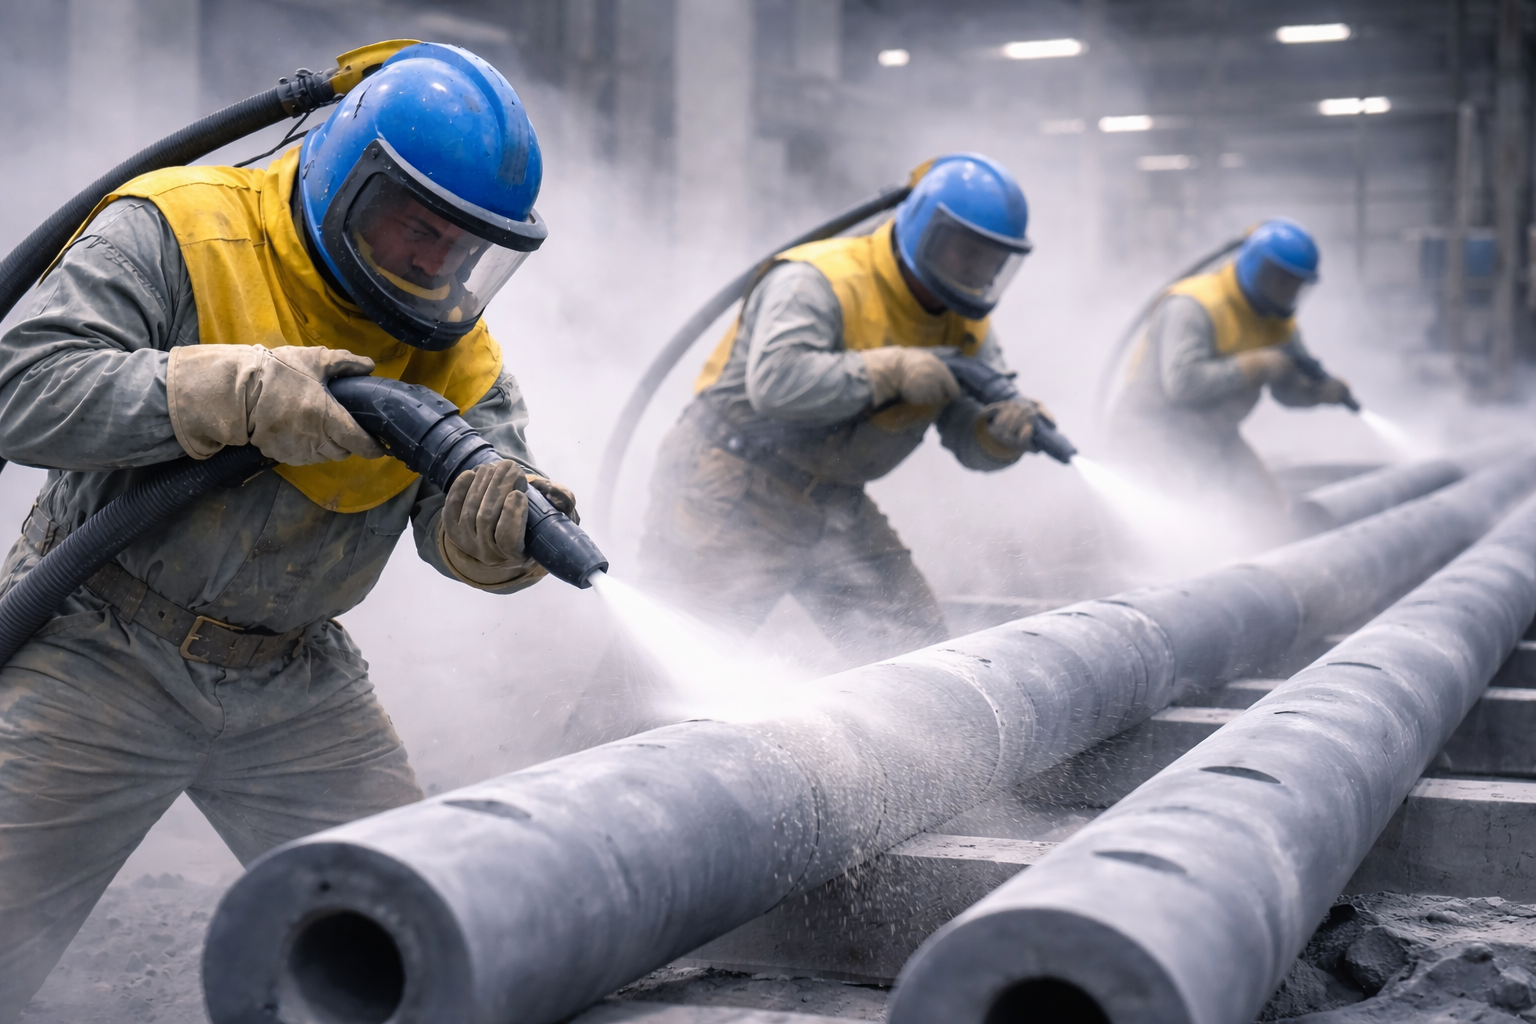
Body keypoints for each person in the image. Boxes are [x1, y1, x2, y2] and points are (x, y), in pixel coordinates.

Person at [0, 43, 576, 1016]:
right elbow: (20, 389)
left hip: (296, 684)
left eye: (461, 244)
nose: (434, 262)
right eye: (413, 225)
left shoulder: (454, 348)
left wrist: (499, 533)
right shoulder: (179, 228)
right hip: (100, 648)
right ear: (351, 177)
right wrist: (234, 388)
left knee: (421, 936)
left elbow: (465, 517)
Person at [640, 153, 1049, 666]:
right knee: (669, 662)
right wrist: (891, 370)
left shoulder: (963, 321)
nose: (976, 270)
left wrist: (997, 435)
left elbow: (968, 436)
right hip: (734, 483)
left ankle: (914, 746)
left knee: (915, 654)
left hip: (833, 501)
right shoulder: (819, 279)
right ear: (926, 230)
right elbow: (777, 385)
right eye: (964, 252)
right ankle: (609, 745)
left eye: (990, 260)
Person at [1105, 218, 1353, 537]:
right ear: (1256, 266)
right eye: (1280, 280)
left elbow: (1286, 392)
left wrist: (1318, 392)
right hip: (1151, 435)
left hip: (1213, 437)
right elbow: (1183, 385)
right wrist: (1255, 366)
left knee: (1269, 516)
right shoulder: (1194, 305)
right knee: (1176, 526)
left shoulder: (1277, 319)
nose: (1286, 292)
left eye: (1294, 285)